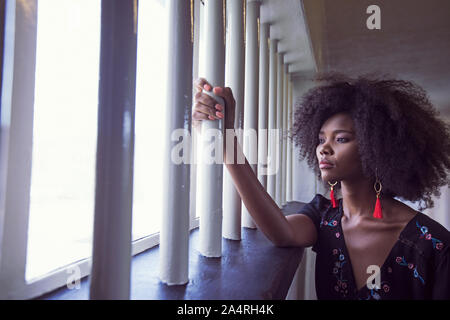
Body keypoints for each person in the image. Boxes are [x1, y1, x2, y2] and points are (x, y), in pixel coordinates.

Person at [192, 72, 450, 300]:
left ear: (378, 147)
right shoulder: (324, 217)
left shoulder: (435, 246)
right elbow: (280, 232)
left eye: (341, 139)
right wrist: (226, 139)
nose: (323, 149)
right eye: (320, 139)